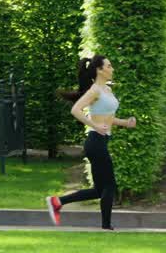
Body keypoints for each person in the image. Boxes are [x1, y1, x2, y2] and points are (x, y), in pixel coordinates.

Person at [47, 55, 136, 230]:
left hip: (101, 141)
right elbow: (76, 110)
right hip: (96, 141)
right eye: (109, 66)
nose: (113, 69)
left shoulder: (107, 91)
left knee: (99, 189)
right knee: (110, 186)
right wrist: (94, 125)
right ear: (99, 70)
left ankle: (57, 202)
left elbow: (108, 118)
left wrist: (126, 122)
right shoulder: (94, 90)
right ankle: (106, 227)